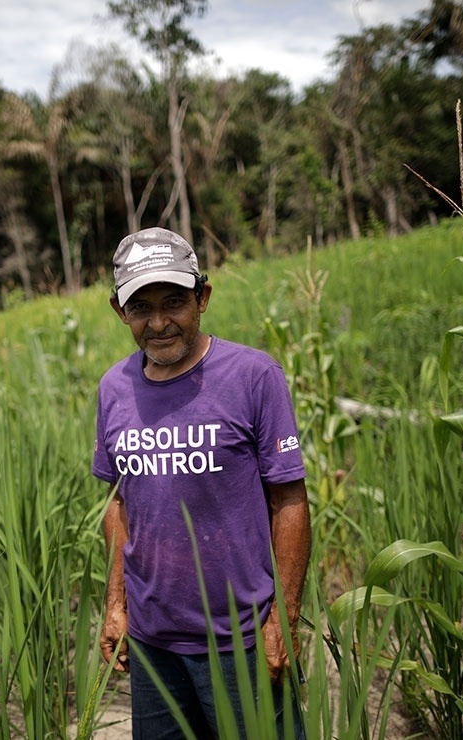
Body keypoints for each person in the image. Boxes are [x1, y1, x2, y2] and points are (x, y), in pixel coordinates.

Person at [93, 227, 311, 739]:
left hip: (244, 643)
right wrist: (116, 606)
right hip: (153, 645)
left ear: (203, 298)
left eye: (174, 301)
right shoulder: (114, 389)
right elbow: (116, 502)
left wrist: (284, 617)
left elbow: (289, 500)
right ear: (119, 311)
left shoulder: (254, 375)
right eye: (141, 307)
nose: (160, 322)